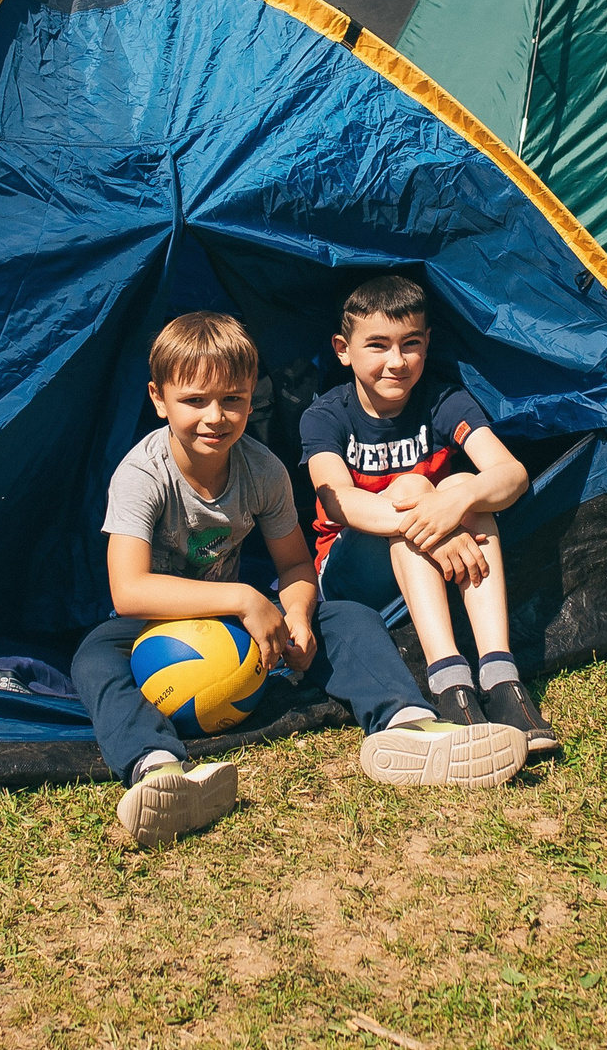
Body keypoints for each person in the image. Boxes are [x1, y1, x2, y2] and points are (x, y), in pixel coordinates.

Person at [71, 312, 528, 847]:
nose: (215, 417)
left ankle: (407, 724)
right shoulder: (142, 474)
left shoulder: (262, 470)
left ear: (251, 397)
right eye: (195, 401)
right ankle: (159, 768)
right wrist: (245, 598)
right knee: (94, 655)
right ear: (158, 398)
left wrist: (297, 614)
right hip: (156, 626)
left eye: (233, 399)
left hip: (236, 630)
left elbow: (293, 564)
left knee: (348, 618)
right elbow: (129, 591)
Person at [300, 275, 561, 758]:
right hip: (349, 575)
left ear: (427, 345)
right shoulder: (326, 414)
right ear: (343, 349)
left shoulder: (443, 400)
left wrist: (454, 505)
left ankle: (499, 675)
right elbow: (341, 502)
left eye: (410, 345)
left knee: (464, 486)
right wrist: (427, 523)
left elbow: (512, 474)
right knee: (412, 489)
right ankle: (447, 679)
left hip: (424, 562)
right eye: (376, 345)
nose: (396, 362)